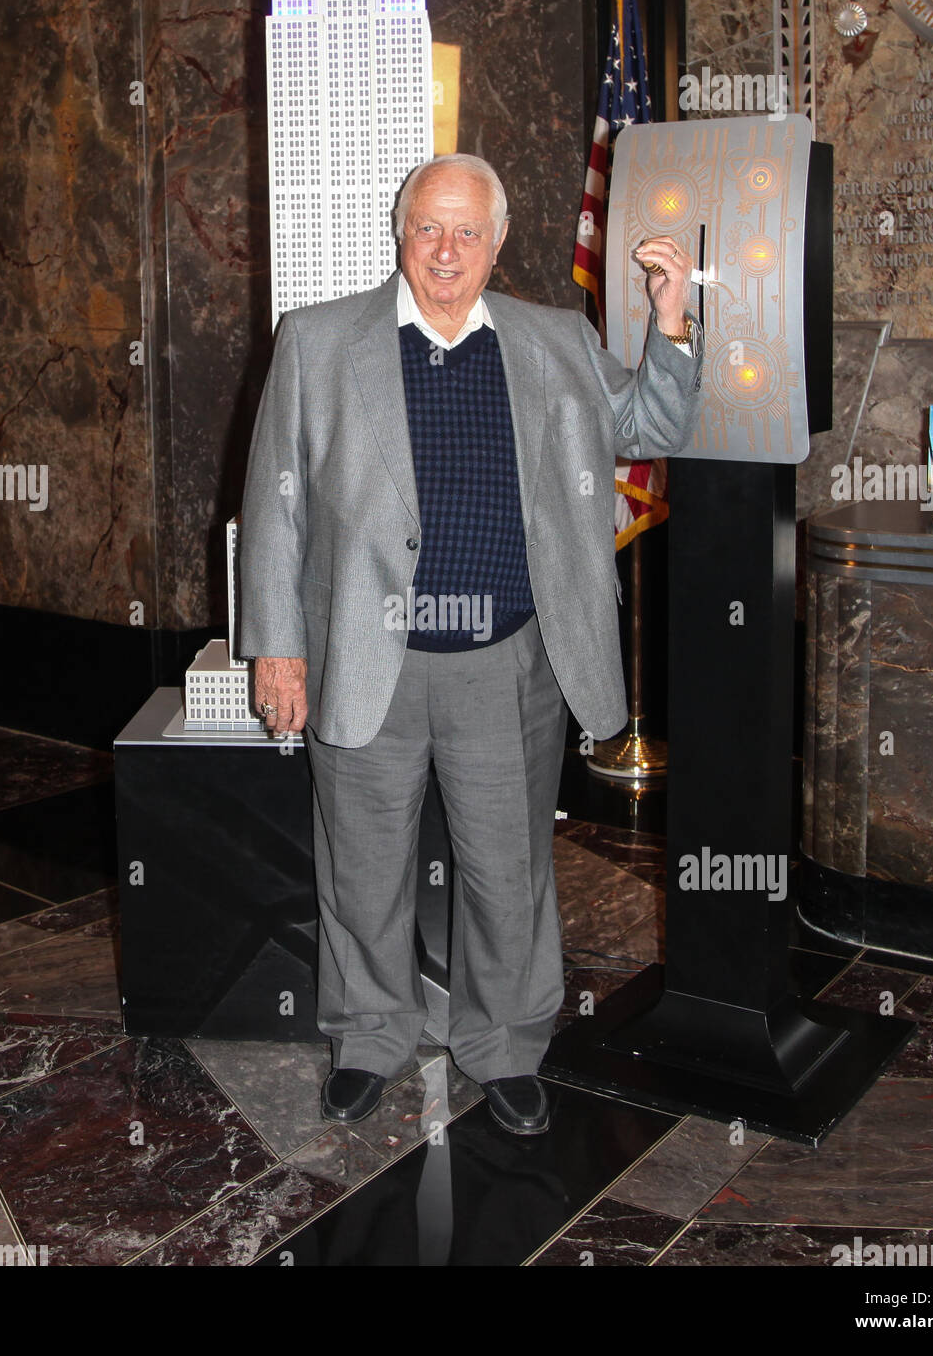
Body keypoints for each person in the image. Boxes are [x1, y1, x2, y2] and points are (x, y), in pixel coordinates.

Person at [239, 153, 702, 1135]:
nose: (444, 250)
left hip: (507, 664)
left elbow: (650, 422)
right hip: (368, 660)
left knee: (507, 870)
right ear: (398, 234)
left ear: (497, 243)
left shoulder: (553, 341)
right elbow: (273, 507)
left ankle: (504, 1044)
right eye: (426, 228)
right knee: (361, 866)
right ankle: (367, 1036)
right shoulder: (317, 343)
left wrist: (669, 319)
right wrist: (276, 649)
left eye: (466, 232)